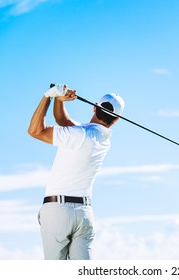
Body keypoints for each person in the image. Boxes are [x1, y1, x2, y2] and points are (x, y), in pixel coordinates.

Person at [28, 84, 124, 260]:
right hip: (84, 214)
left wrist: (48, 96)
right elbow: (64, 123)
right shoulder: (102, 139)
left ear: (95, 107)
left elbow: (35, 131)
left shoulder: (79, 134)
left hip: (58, 212)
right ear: (116, 120)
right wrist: (60, 100)